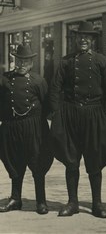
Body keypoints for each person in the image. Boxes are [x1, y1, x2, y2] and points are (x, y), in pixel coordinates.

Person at [49, 21, 106, 218]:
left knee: (94, 158)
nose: (83, 40)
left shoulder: (101, 61)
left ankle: (97, 203)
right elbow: (55, 87)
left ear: (93, 40)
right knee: (71, 160)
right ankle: (73, 202)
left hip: (94, 115)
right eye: (80, 37)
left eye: (87, 37)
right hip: (70, 115)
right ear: (76, 39)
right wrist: (56, 112)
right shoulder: (66, 61)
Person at [0, 44, 53, 214]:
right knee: (14, 162)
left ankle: (41, 201)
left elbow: (47, 105)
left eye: (26, 61)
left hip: (34, 127)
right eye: (19, 60)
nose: (22, 64)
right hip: (11, 127)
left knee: (38, 162)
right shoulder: (5, 79)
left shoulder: (38, 81)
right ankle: (15, 199)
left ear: (31, 63)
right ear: (14, 60)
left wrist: (35, 120)